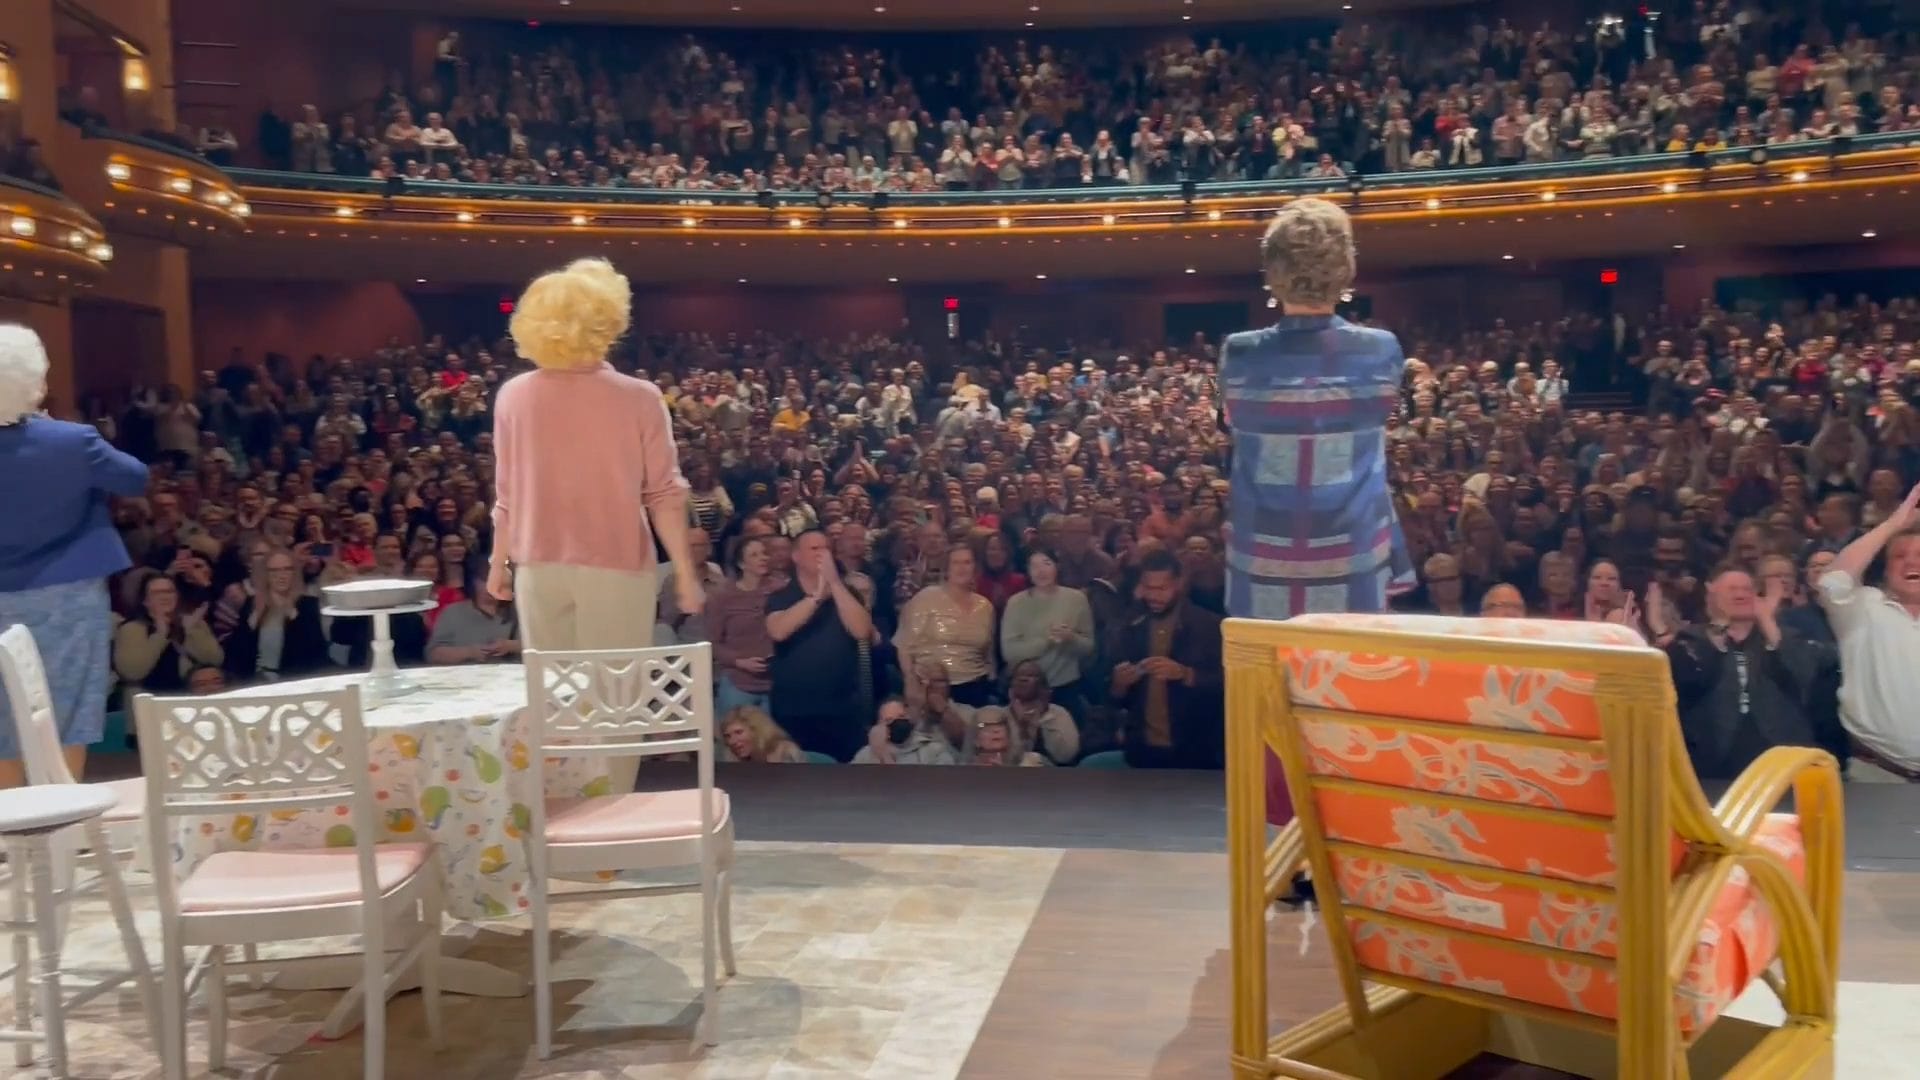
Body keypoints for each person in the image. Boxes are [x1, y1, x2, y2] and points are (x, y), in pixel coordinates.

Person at [1219, 198, 1412, 829]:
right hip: (1351, 557)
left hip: (1263, 563)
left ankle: (1282, 847)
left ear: (1271, 273)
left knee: (1270, 703)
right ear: (1345, 270)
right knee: (1345, 700)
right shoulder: (1382, 350)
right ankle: (1348, 842)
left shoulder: (1239, 354)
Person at [487, 258, 703, 654]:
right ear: (609, 320)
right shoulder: (639, 398)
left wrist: (498, 562)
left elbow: (508, 494)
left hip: (537, 566)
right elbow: (664, 495)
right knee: (614, 700)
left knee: (554, 696)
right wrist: (686, 575)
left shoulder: (513, 395)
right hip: (616, 565)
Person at [0, 325, 149, 786]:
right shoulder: (71, 441)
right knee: (65, 703)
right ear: (35, 381)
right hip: (69, 593)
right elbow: (134, 478)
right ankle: (66, 829)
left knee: (2, 711)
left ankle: (8, 833)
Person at [1650, 569, 1837, 780]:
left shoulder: (1784, 637)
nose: (1741, 595)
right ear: (1711, 596)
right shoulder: (1691, 640)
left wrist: (1767, 621)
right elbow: (1689, 680)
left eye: (1747, 589)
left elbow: (1803, 673)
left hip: (1780, 756)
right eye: (1731, 589)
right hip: (1711, 759)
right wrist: (1718, 626)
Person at [1817, 483, 1920, 781]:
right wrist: (1892, 525)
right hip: (1877, 773)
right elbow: (1832, 582)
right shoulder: (1863, 608)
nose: (1912, 562)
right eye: (1900, 557)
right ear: (1886, 571)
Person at [1106, 549, 1224, 769]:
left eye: (1161, 588)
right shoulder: (1129, 625)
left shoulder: (1208, 625)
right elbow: (1113, 698)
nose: (1153, 595)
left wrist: (1185, 674)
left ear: (1178, 584)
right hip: (1142, 752)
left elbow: (1227, 682)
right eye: (1148, 588)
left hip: (1196, 751)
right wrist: (1119, 685)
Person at [766, 528, 874, 761]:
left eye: (826, 548)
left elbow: (861, 630)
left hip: (842, 708)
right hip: (794, 709)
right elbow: (779, 630)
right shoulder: (782, 596)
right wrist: (816, 598)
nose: (821, 554)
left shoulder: (848, 594)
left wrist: (835, 584)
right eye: (814, 549)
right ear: (796, 556)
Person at [895, 544, 997, 707]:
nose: (961, 568)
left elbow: (988, 654)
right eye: (956, 563)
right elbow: (904, 645)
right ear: (946, 568)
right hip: (930, 686)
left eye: (967, 562)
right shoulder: (926, 598)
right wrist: (910, 679)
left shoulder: (985, 606)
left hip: (975, 685)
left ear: (975, 568)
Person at [999, 549, 1096, 712]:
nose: (1041, 571)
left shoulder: (1076, 599)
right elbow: (1010, 653)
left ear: (1057, 566)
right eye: (1034, 566)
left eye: (1046, 563)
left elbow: (1088, 648)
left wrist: (1070, 638)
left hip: (1066, 686)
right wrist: (1047, 642)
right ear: (1027, 571)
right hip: (1027, 689)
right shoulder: (1016, 603)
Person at [710, 535, 778, 714]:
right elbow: (713, 643)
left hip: (776, 684)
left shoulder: (779, 591)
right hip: (738, 684)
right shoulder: (722, 597)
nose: (763, 558)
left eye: (764, 553)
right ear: (741, 564)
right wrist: (739, 662)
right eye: (754, 555)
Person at [425, 572, 520, 664]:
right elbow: (433, 654)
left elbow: (533, 647)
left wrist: (510, 646)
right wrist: (470, 652)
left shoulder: (519, 612)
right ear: (476, 582)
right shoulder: (452, 612)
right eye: (486, 581)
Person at [852, 695, 958, 765]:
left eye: (901, 716)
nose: (897, 722)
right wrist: (880, 751)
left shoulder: (934, 750)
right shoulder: (865, 755)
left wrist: (884, 755)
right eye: (889, 720)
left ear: (909, 719)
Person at [717, 705, 806, 763]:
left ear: (757, 730)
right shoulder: (731, 756)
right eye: (728, 736)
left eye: (739, 732)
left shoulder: (785, 751)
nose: (732, 741)